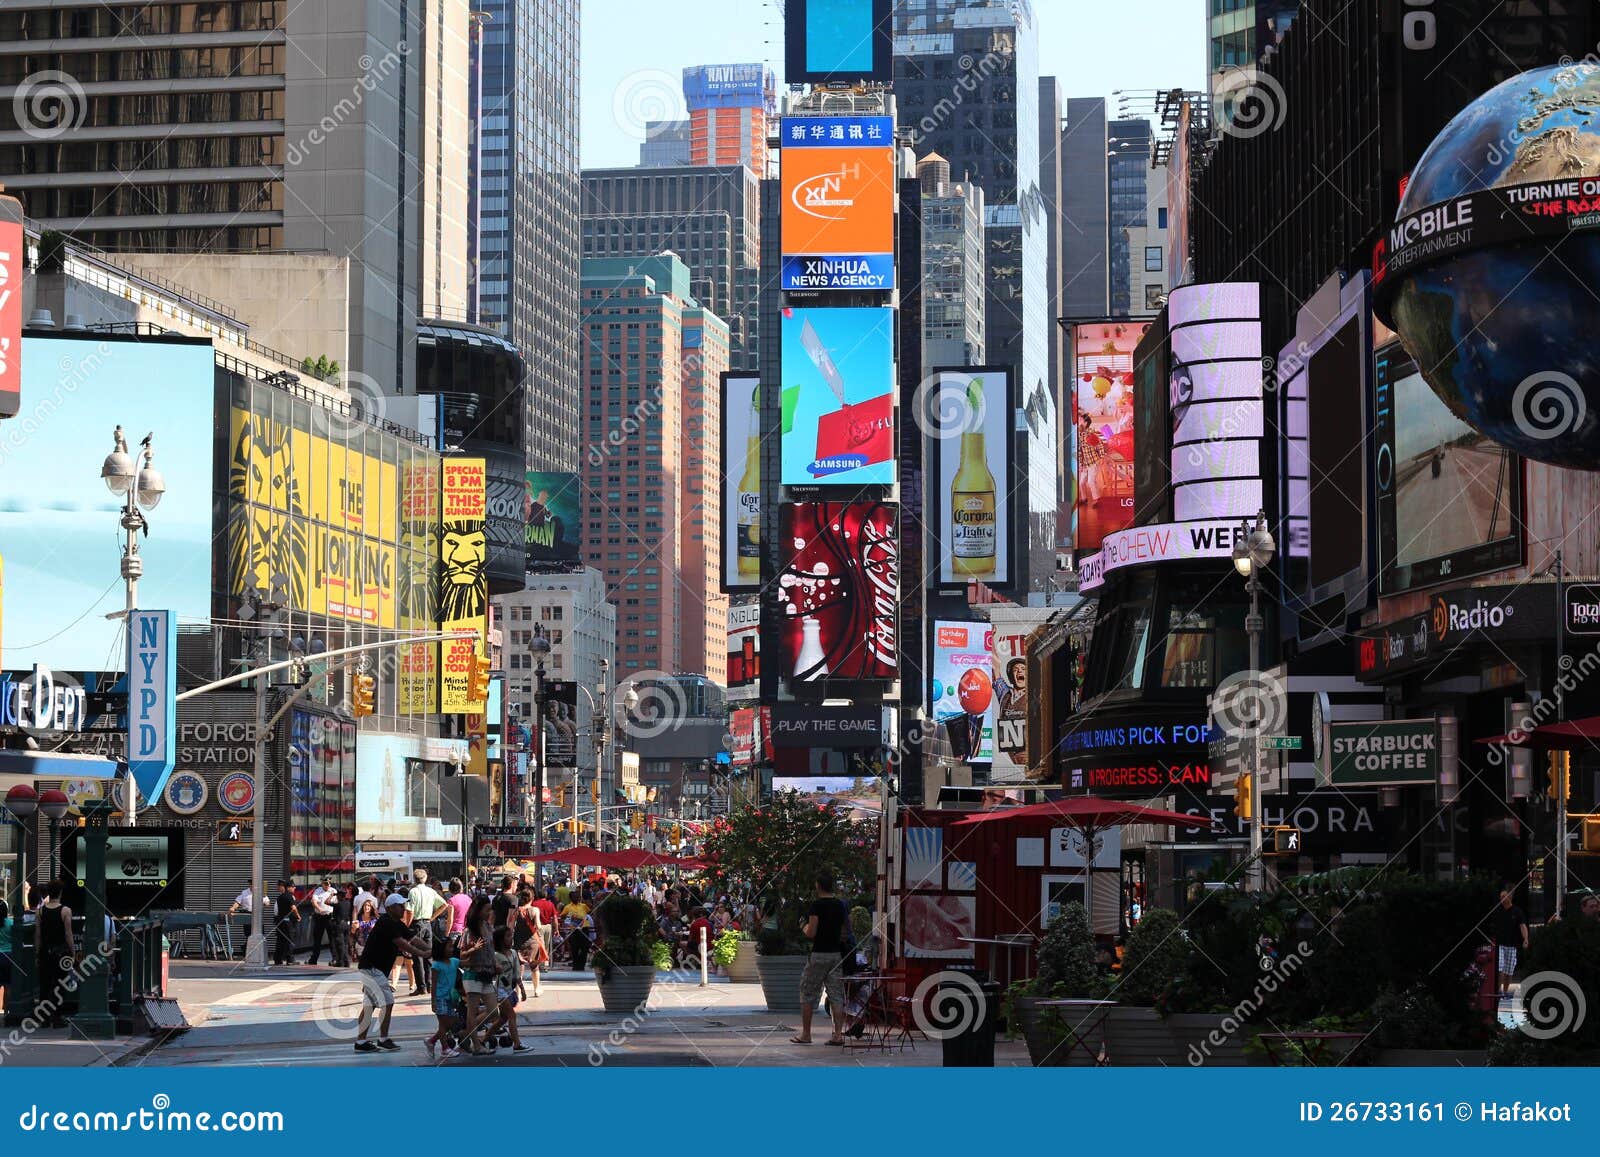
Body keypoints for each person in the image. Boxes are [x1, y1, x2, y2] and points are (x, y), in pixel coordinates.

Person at [353, 894, 427, 1053]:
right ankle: (383, 1039)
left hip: (373, 968)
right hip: (372, 968)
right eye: (400, 905)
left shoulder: (397, 923)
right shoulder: (386, 922)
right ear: (390, 908)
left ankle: (361, 1041)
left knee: (370, 1005)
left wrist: (430, 948)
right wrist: (423, 954)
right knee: (388, 1002)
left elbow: (413, 938)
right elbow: (403, 944)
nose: (404, 908)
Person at [792, 873, 847, 1046]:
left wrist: (802, 926)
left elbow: (811, 932)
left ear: (818, 886)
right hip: (836, 954)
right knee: (836, 994)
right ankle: (838, 1035)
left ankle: (806, 1034)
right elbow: (845, 930)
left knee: (807, 992)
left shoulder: (817, 906)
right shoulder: (840, 905)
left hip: (819, 954)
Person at [456, 897, 499, 1055]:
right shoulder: (469, 930)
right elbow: (461, 954)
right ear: (478, 910)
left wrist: (495, 964)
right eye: (487, 909)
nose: (489, 912)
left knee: (494, 1011)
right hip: (473, 973)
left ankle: (466, 1033)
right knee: (472, 1011)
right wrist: (473, 949)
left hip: (487, 973)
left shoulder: (487, 926)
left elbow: (491, 949)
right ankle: (476, 1045)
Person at [403, 869, 449, 995]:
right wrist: (432, 917)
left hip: (416, 924)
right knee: (428, 955)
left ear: (414, 878)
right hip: (427, 924)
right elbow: (444, 904)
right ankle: (429, 985)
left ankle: (421, 986)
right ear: (426, 878)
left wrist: (406, 926)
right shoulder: (430, 891)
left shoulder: (412, 892)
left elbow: (410, 911)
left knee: (417, 957)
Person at [34, 881, 73, 1028]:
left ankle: (43, 1018)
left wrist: (37, 953)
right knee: (60, 985)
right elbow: (68, 934)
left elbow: (38, 935)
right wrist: (73, 951)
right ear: (61, 893)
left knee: (44, 984)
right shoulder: (66, 911)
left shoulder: (40, 911)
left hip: (45, 952)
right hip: (61, 952)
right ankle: (57, 1017)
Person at [493, 927, 532, 1053]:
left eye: (511, 936)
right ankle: (517, 1044)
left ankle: (484, 1039)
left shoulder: (514, 953)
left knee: (503, 1019)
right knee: (512, 1015)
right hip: (499, 989)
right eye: (508, 936)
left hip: (509, 988)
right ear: (500, 940)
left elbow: (516, 974)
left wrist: (522, 989)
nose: (511, 939)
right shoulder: (495, 955)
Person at [424, 937, 464, 1059]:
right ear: (441, 949)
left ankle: (431, 1041)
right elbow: (434, 984)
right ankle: (445, 1048)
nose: (452, 949)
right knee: (443, 1023)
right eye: (449, 947)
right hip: (440, 997)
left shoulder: (454, 961)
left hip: (450, 998)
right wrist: (433, 1001)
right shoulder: (436, 965)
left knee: (449, 1023)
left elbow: (467, 963)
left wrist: (472, 949)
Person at [1493, 887, 1529, 996]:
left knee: (1509, 971)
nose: (1502, 899)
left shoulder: (1517, 911)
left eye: (1504, 896)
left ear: (1510, 897)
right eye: (1501, 897)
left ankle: (1505, 991)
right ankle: (1498, 991)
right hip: (1499, 945)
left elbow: (1522, 926)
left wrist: (1526, 939)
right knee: (1500, 968)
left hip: (1512, 945)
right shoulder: (1497, 910)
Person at [306, 877, 337, 966]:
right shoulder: (318, 891)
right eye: (326, 884)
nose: (328, 885)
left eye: (329, 884)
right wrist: (319, 909)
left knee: (332, 938)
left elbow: (337, 903)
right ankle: (314, 959)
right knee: (317, 939)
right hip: (320, 916)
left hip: (330, 916)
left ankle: (334, 958)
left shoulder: (333, 891)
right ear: (322, 884)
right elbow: (314, 901)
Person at [272, 879, 301, 968]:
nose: (294, 888)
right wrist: (298, 916)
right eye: (293, 887)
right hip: (289, 923)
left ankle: (278, 959)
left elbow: (276, 911)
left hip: (280, 921)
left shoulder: (280, 897)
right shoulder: (290, 896)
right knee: (290, 940)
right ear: (288, 888)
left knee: (280, 940)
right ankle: (290, 960)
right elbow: (293, 908)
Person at [563, 895, 594, 972]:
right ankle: (576, 965)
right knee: (574, 948)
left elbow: (590, 911)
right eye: (574, 897)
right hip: (574, 930)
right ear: (571, 898)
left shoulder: (583, 906)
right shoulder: (567, 907)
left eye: (577, 897)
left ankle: (582, 965)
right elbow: (563, 916)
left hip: (584, 928)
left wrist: (586, 902)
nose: (576, 898)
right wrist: (570, 917)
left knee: (584, 948)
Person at [330, 883, 354, 968]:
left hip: (339, 925)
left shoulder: (338, 904)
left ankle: (342, 961)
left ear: (340, 896)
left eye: (337, 895)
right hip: (346, 925)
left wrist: (332, 895)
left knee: (340, 944)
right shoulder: (348, 903)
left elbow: (327, 902)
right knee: (345, 944)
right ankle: (345, 961)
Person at [445, 877, 472, 953]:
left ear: (450, 888)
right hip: (466, 930)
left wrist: (446, 934)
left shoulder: (451, 901)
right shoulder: (468, 898)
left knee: (455, 955)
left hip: (455, 930)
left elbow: (450, 919)